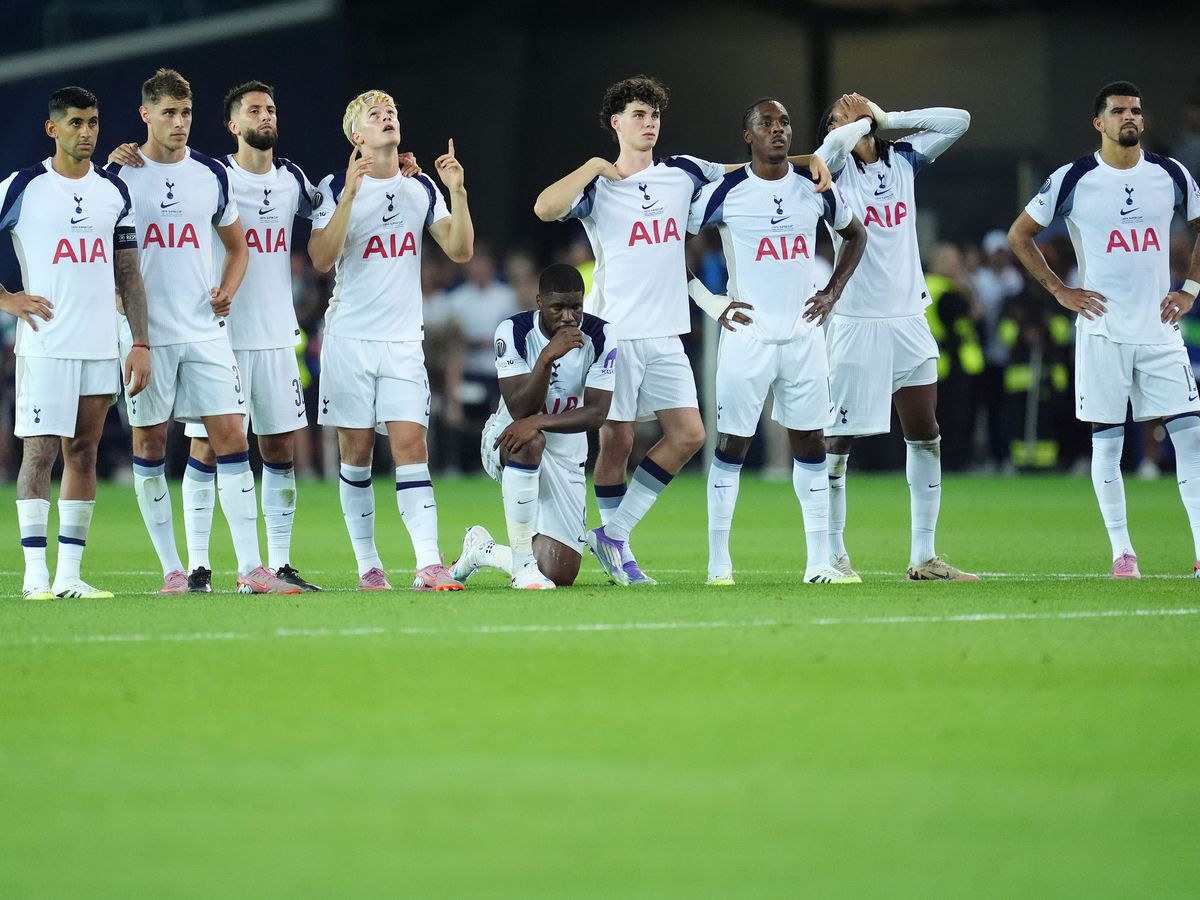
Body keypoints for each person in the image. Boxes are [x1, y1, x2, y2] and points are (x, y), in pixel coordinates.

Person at [533, 74, 830, 585]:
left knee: (690, 434)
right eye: (638, 116)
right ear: (616, 123)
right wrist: (593, 166)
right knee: (618, 441)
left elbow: (751, 166)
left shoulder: (683, 172)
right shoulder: (598, 187)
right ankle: (619, 556)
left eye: (654, 116)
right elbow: (545, 208)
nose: (650, 124)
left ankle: (613, 536)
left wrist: (807, 160)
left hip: (668, 331)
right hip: (615, 333)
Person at [107, 68, 297, 594]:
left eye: (186, 112)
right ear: (146, 115)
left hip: (205, 330)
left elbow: (239, 247)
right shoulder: (120, 176)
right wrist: (127, 323)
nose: (179, 122)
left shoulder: (210, 174)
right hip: (147, 334)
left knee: (233, 436)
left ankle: (251, 569)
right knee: (149, 441)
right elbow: (103, 255)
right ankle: (174, 571)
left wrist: (227, 290)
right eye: (168, 112)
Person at [1008, 80, 1200, 578]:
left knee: (1192, 439)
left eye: (1135, 110)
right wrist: (1060, 291)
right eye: (1118, 111)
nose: (1129, 117)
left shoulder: (1171, 174)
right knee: (1107, 443)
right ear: (1100, 123)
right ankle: (1123, 552)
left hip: (1160, 329)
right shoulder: (1075, 178)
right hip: (1102, 331)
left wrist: (1190, 289)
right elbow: (1020, 234)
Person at [688, 97, 867, 586]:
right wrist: (710, 301)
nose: (777, 129)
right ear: (748, 136)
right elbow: (671, 240)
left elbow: (856, 235)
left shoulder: (815, 186)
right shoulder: (725, 191)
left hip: (804, 335)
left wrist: (831, 293)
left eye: (784, 122)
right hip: (748, 336)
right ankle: (718, 563)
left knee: (810, 442)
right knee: (733, 445)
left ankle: (817, 563)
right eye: (766, 123)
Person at [308, 89, 473, 591]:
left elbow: (461, 250)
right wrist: (350, 197)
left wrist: (458, 190)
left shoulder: (419, 186)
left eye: (392, 112)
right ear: (357, 135)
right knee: (356, 452)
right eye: (374, 115)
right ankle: (368, 565)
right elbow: (320, 257)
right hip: (349, 338)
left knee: (410, 443)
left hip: (402, 340)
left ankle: (428, 563)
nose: (387, 118)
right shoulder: (335, 184)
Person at [816, 92, 978, 581]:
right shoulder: (832, 171)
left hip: (909, 319)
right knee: (837, 443)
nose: (855, 114)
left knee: (926, 434)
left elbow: (959, 118)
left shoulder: (904, 159)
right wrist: (849, 126)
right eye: (842, 114)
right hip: (856, 322)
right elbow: (823, 156)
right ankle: (832, 554)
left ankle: (924, 557)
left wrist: (886, 119)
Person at [0, 86, 151, 599]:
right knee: (39, 453)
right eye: (76, 123)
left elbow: (129, 275)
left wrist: (141, 342)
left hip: (99, 345)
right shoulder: (23, 186)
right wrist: (7, 299)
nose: (86, 132)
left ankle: (68, 576)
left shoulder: (114, 191)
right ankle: (34, 575)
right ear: (52, 129)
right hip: (45, 344)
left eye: (92, 122)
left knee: (83, 452)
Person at [451, 264, 615, 588]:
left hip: (567, 457)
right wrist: (546, 358)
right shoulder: (511, 331)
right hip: (507, 440)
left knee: (560, 572)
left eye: (576, 307)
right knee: (530, 441)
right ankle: (523, 564)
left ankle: (481, 550)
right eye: (558, 308)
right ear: (539, 302)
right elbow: (518, 408)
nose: (568, 317)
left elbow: (597, 413)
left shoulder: (602, 335)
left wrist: (538, 420)